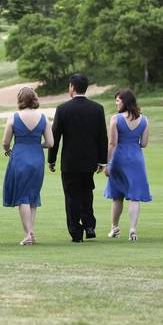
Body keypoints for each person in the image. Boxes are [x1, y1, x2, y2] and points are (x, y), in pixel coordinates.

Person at [47, 73, 107, 242]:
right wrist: (102, 160)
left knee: (72, 196)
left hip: (70, 162)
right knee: (87, 193)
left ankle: (76, 231)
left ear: (72, 88)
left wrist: (51, 159)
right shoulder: (97, 108)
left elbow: (55, 137)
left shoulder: (63, 109)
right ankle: (89, 225)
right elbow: (102, 137)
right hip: (90, 161)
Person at [1, 86, 54, 245]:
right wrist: (37, 145)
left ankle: (28, 234)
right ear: (35, 99)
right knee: (32, 196)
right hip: (37, 158)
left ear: (20, 100)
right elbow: (50, 143)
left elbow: (5, 142)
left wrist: (8, 151)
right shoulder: (43, 117)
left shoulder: (14, 117)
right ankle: (31, 232)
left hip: (19, 157)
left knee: (22, 197)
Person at [103, 89, 151, 242]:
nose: (116, 103)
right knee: (134, 196)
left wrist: (107, 163)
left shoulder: (116, 119)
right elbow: (143, 143)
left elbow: (112, 143)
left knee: (117, 196)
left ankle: (114, 227)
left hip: (119, 159)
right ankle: (133, 229)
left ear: (125, 101)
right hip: (136, 159)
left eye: (118, 100)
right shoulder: (144, 120)